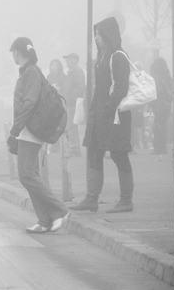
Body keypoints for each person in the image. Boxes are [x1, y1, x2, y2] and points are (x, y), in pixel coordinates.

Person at [69, 16, 134, 213]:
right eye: (95, 34)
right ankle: (91, 198)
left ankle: (126, 201)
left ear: (109, 34)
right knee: (95, 153)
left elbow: (121, 89)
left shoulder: (119, 56)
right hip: (100, 114)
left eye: (99, 34)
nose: (96, 37)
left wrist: (106, 109)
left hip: (115, 116)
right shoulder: (102, 57)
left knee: (119, 155)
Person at [6, 37, 71, 233]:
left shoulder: (31, 72)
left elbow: (30, 103)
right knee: (30, 175)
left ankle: (60, 210)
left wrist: (14, 131)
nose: (13, 57)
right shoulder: (28, 71)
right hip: (28, 128)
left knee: (26, 175)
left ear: (17, 52)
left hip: (31, 129)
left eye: (13, 53)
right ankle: (44, 220)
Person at [61, 53, 86, 156]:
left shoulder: (77, 71)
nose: (67, 61)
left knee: (72, 125)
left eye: (69, 59)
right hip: (68, 101)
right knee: (69, 125)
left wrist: (71, 98)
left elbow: (80, 87)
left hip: (72, 102)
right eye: (67, 60)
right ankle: (72, 146)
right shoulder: (70, 72)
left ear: (75, 60)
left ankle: (74, 147)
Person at [149, 57, 173, 156]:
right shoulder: (166, 76)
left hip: (159, 104)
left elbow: (155, 92)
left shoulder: (156, 77)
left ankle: (158, 148)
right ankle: (162, 148)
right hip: (166, 104)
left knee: (157, 127)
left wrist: (151, 105)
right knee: (162, 126)